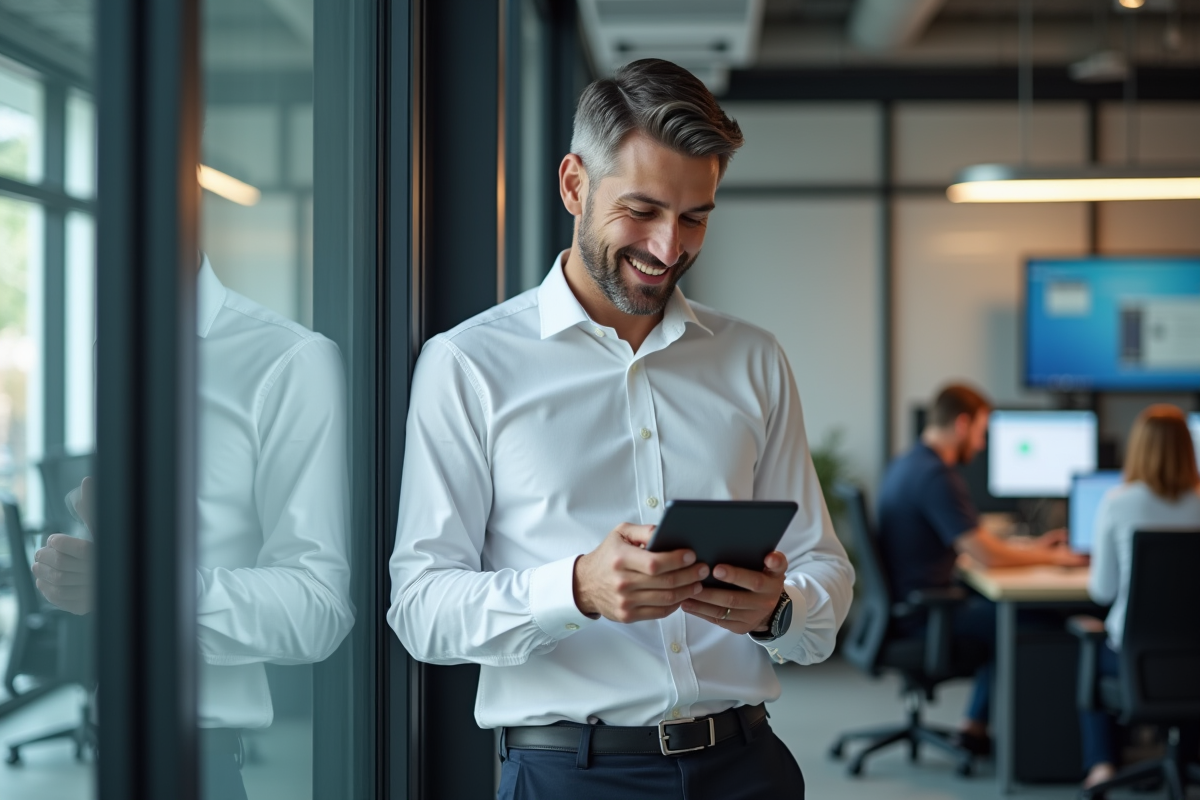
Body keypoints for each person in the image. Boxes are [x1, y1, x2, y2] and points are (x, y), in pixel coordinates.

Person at [388, 58, 854, 799]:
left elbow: (824, 574)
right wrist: (575, 589)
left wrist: (779, 611)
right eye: (641, 210)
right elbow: (419, 610)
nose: (669, 248)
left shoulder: (752, 358)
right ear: (575, 184)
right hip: (569, 775)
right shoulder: (468, 364)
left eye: (695, 216)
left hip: (747, 765)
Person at [31, 255, 356, 800]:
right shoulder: (110, 345)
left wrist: (139, 587)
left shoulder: (289, 360)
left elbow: (318, 607)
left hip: (196, 765)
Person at [877, 384, 1086, 754]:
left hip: (909, 605)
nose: (981, 444)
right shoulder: (935, 475)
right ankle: (1040, 747)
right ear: (962, 423)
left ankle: (975, 726)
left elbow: (975, 543)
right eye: (980, 432)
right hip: (925, 615)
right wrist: (1053, 558)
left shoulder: (909, 463)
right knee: (1033, 622)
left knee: (1005, 617)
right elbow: (986, 555)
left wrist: (1033, 548)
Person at [1080, 404, 1200, 791]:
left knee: (1094, 650)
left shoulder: (1118, 502)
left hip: (1135, 662)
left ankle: (1102, 765)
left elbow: (1103, 591)